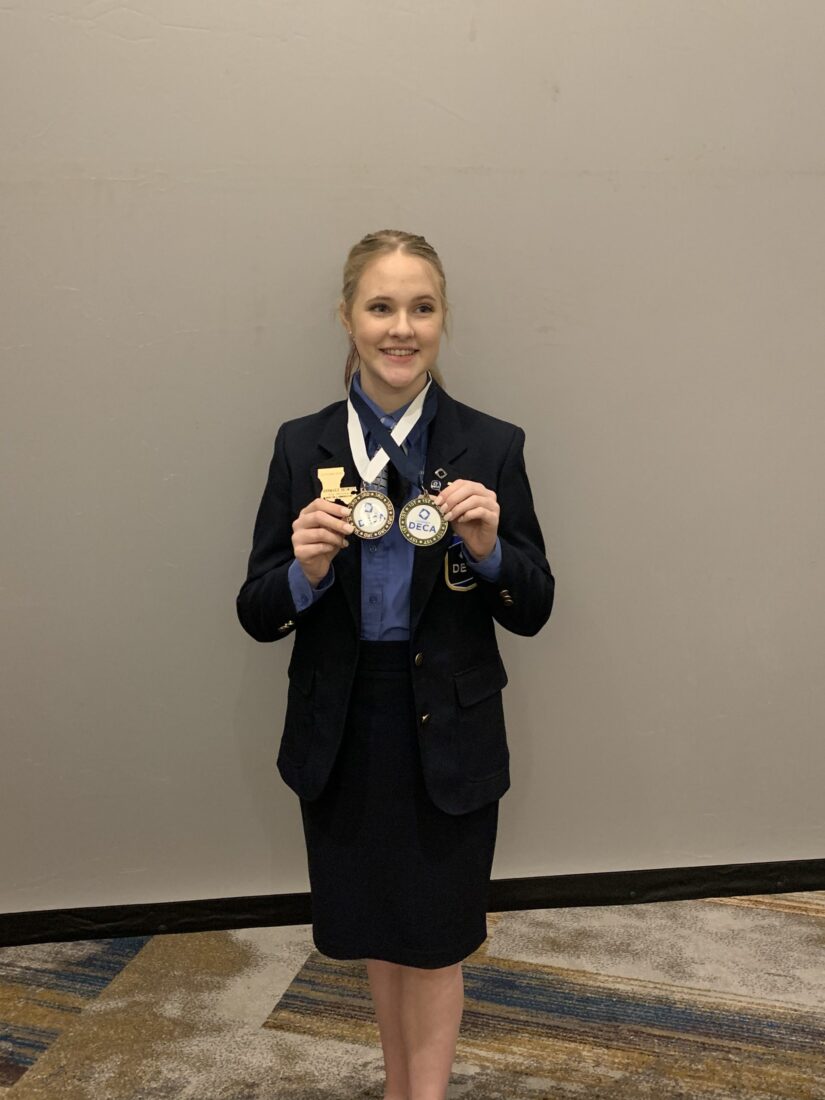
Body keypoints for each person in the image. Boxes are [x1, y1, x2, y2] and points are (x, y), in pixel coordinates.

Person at [236, 229, 555, 1100]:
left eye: (421, 308)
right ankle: (396, 1085)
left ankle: (428, 1093)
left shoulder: (491, 446)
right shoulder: (303, 446)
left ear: (443, 319)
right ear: (347, 318)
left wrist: (490, 550)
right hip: (343, 723)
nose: (400, 328)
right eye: (381, 307)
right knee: (377, 929)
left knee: (437, 935)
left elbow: (533, 607)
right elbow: (255, 612)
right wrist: (300, 574)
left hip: (446, 726)